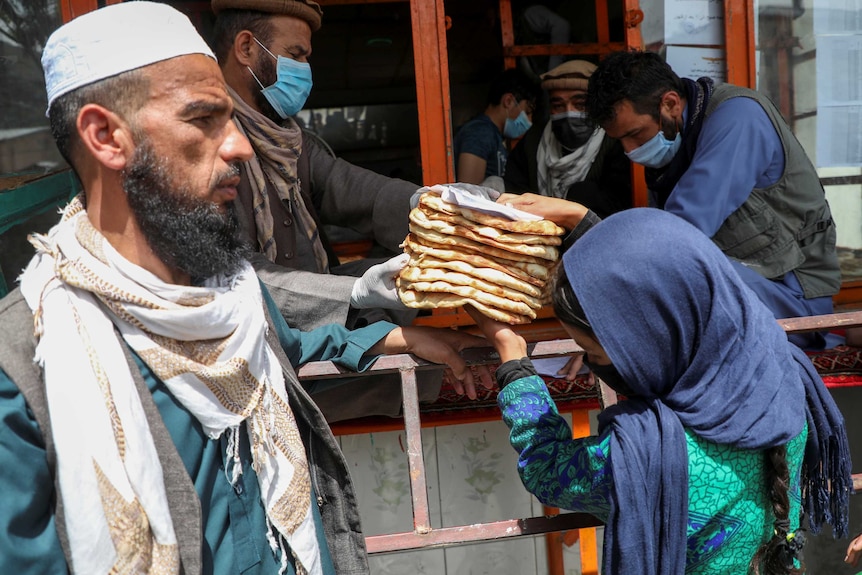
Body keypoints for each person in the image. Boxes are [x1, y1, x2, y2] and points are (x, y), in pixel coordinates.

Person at [0, 4, 493, 573]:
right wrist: (360, 289)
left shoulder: (232, 296)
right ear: (106, 136)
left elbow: (294, 342)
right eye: (205, 119)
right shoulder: (25, 367)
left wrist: (403, 339)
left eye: (231, 120)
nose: (238, 146)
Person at [465, 208, 852, 574]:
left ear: (648, 346)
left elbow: (547, 469)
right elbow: (666, 270)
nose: (587, 363)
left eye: (594, 353)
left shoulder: (646, 451)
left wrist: (513, 359)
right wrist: (586, 224)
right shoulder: (780, 371)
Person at [584, 50, 840, 350]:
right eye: (621, 141)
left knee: (673, 276)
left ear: (669, 103)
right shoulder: (680, 137)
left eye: (636, 134)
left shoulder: (738, 117)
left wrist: (579, 223)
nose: (630, 150)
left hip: (794, 301)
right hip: (745, 287)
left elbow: (678, 236)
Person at [209, 0, 417, 331]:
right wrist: (355, 292)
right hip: (252, 331)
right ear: (246, 47)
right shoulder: (205, 147)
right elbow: (237, 275)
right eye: (296, 55)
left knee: (418, 280)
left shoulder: (294, 143)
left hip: (318, 323)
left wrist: (443, 207)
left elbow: (364, 193)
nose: (306, 68)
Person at [504, 59, 632, 219]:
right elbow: (514, 195)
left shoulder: (615, 141)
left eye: (580, 104)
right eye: (558, 106)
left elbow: (620, 205)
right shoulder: (533, 142)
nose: (569, 112)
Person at [453, 67, 540, 186]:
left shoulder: (494, 136)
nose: (529, 120)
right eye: (527, 111)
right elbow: (468, 193)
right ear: (508, 101)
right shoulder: (480, 133)